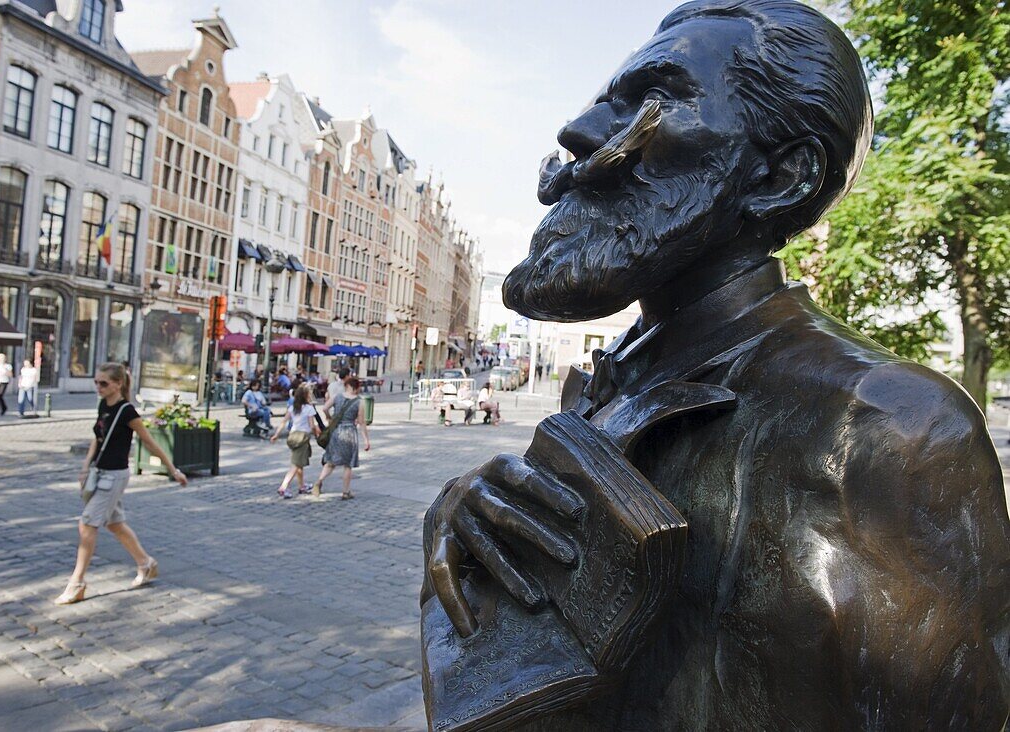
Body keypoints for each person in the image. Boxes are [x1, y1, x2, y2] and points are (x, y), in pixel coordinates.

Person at [420, 2, 1010, 728]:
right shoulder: (615, 380)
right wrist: (473, 534)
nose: (578, 131)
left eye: (656, 100)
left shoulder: (883, 426)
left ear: (781, 176)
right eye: (609, 99)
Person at [55, 363, 187, 605]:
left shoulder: (128, 412)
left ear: (118, 384)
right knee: (115, 524)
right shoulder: (103, 405)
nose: (99, 387)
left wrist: (173, 470)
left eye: (103, 383)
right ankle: (145, 563)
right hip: (99, 471)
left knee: (87, 524)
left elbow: (149, 442)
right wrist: (85, 466)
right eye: (96, 382)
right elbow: (98, 438)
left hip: (115, 476)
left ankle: (77, 583)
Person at [316, 375, 370, 500]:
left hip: (336, 431)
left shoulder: (337, 397)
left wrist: (329, 417)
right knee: (347, 464)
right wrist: (366, 440)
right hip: (349, 432)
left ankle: (319, 481)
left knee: (330, 461)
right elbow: (362, 422)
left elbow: (324, 408)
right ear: (356, 388)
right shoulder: (359, 401)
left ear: (346, 386)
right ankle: (346, 492)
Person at [271, 383, 320, 498]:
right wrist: (317, 433)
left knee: (299, 463)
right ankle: (283, 487)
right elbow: (312, 425)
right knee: (296, 464)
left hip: (292, 436)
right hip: (302, 437)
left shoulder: (293, 407)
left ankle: (301, 486)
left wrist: (276, 434)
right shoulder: (309, 408)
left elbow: (284, 421)